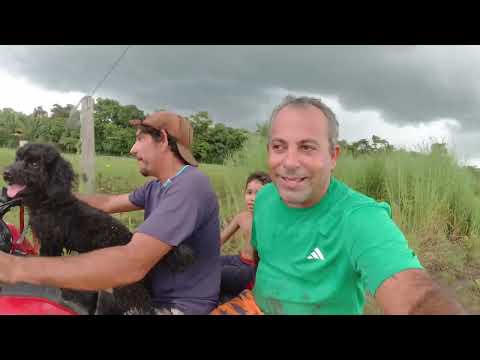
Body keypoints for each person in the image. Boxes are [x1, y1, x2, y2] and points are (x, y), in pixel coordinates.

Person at [220, 95, 466, 315]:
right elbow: (261, 261)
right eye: (279, 147)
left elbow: (414, 296)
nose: (290, 162)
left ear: (333, 156)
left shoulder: (358, 217)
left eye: (307, 147)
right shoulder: (265, 198)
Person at [0, 111, 221, 315]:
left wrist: (16, 267)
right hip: (152, 290)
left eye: (139, 139)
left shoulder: (190, 185)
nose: (132, 149)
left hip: (178, 307)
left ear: (162, 139)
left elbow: (131, 264)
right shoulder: (158, 186)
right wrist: (46, 193)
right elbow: (107, 202)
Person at [219, 171, 271, 301]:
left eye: (258, 193)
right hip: (238, 259)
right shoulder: (242, 217)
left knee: (213, 273)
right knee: (207, 265)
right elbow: (219, 240)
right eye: (249, 192)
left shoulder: (270, 221)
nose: (252, 198)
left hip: (252, 270)